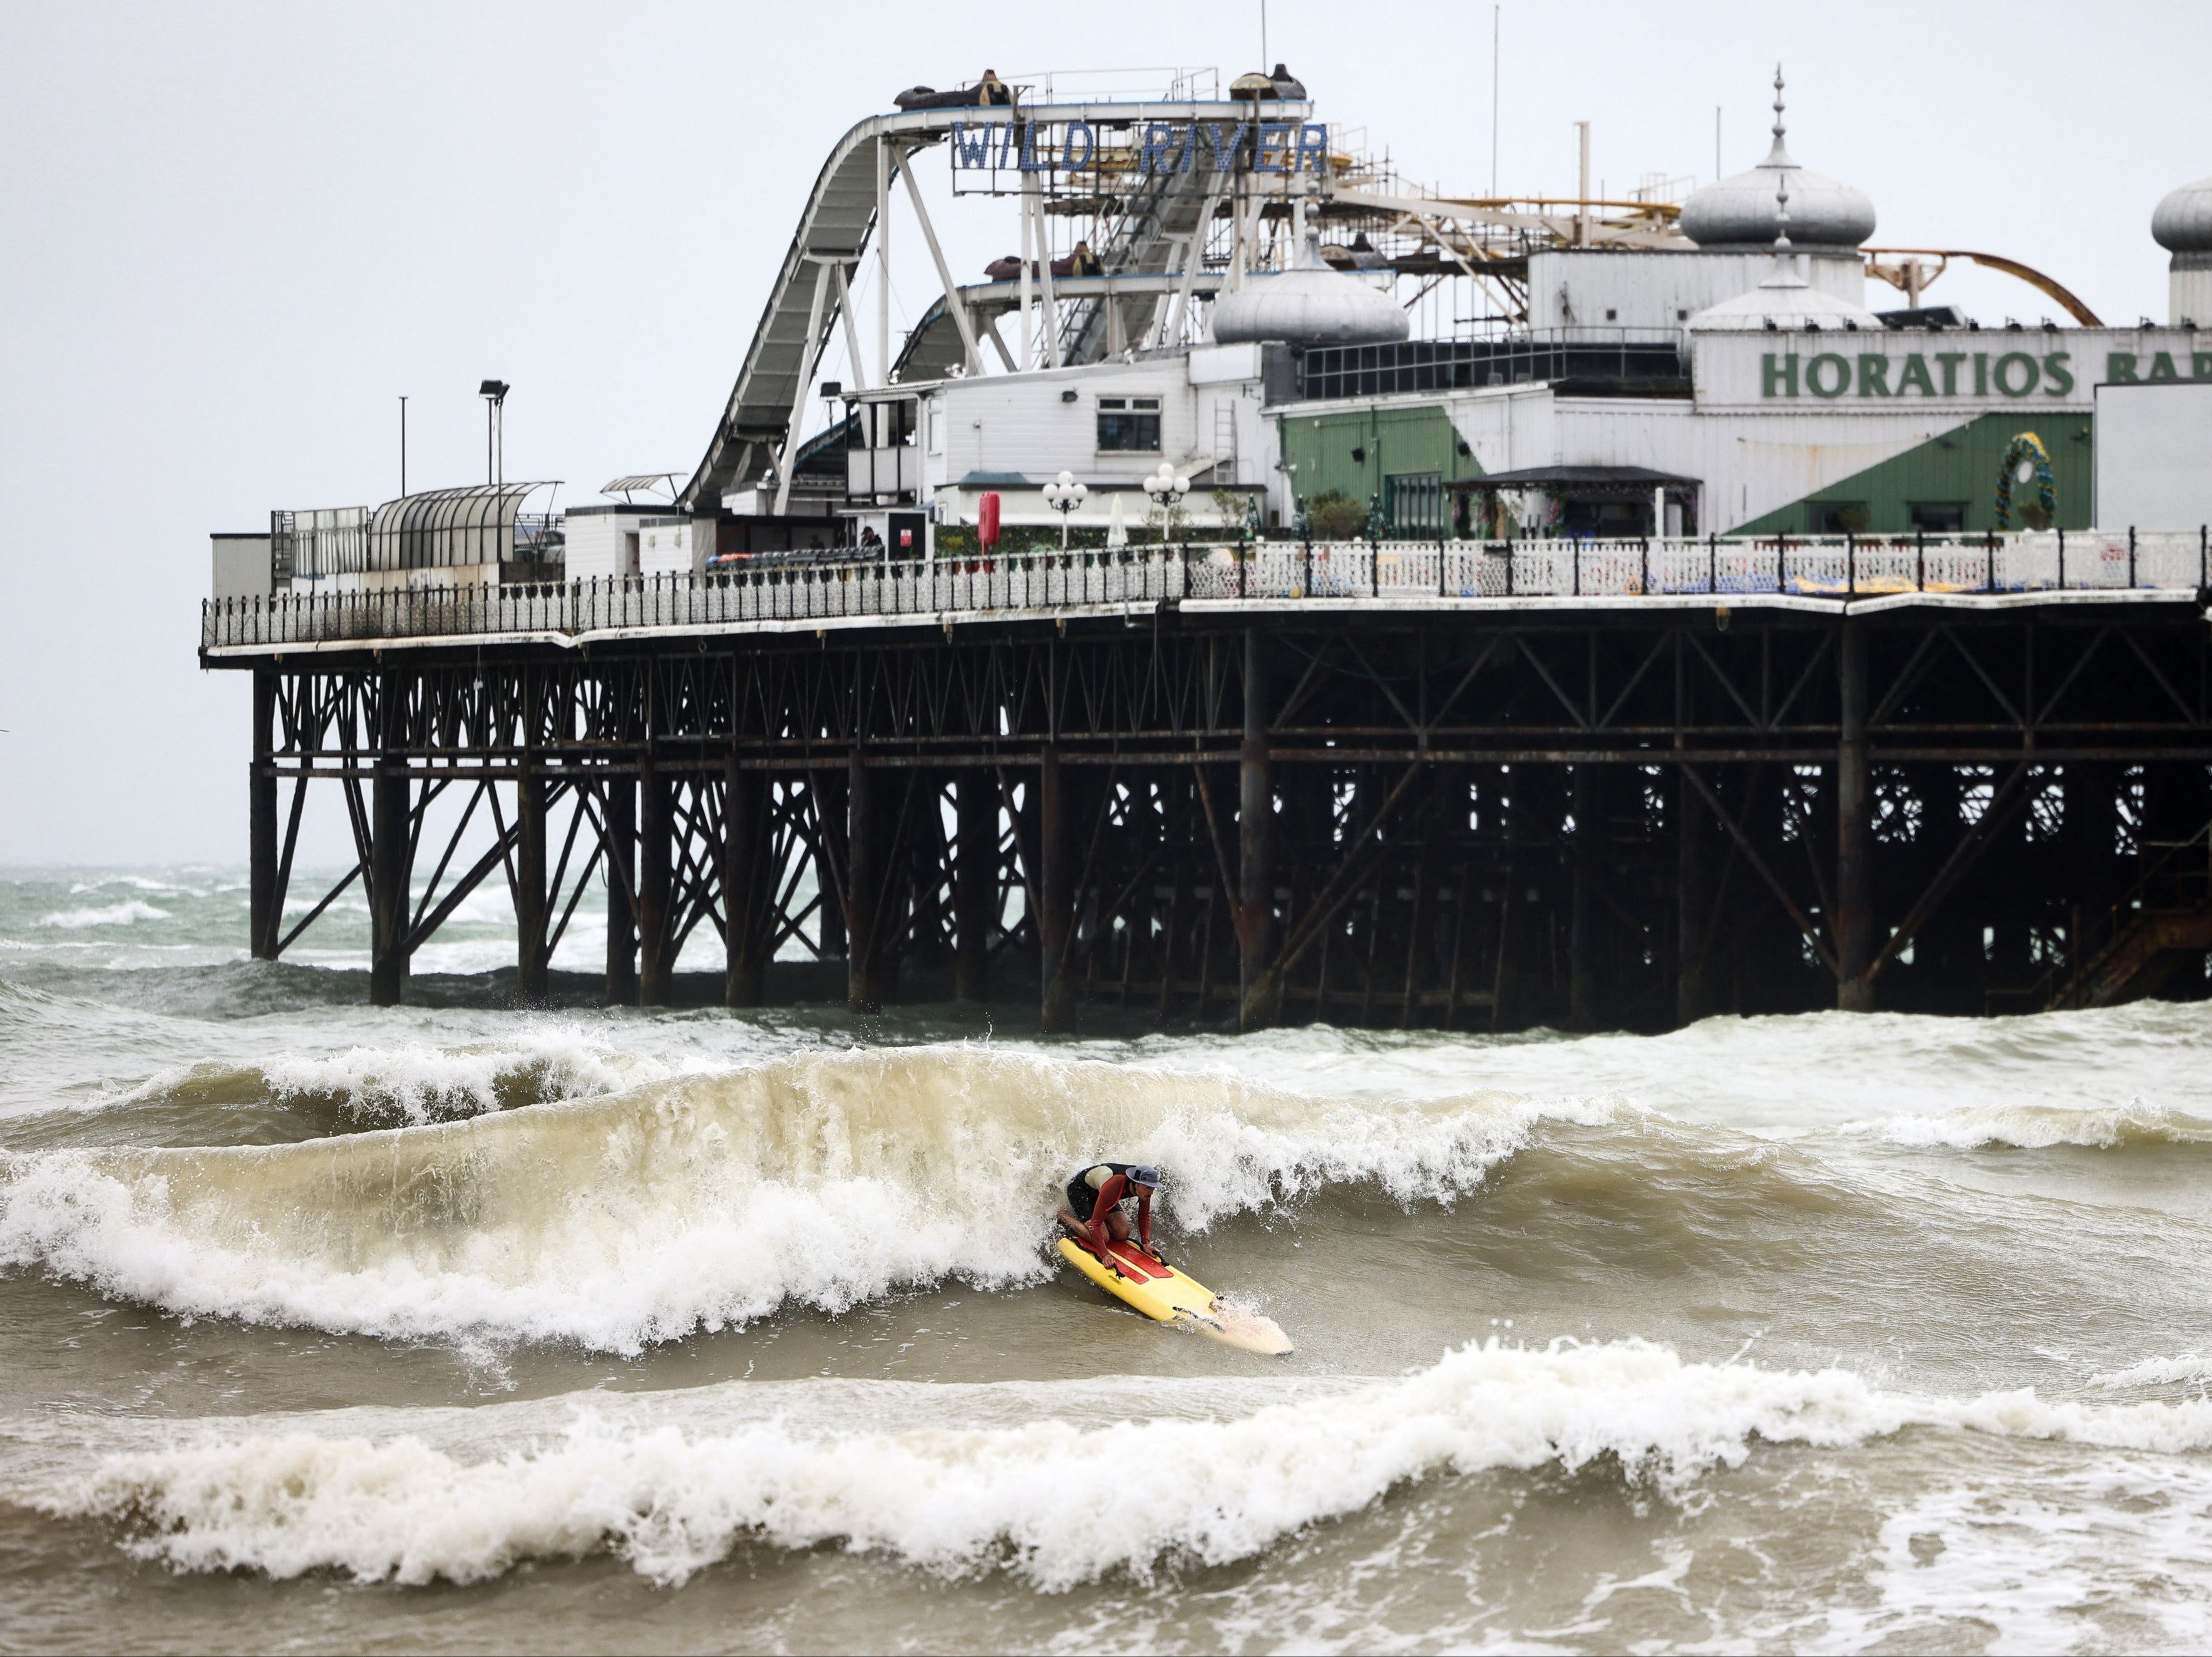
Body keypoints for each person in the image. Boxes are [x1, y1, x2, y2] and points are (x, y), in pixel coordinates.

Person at [1057, 1162, 1166, 1263]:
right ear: (1136, 1184)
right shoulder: (1114, 1184)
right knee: (1103, 1238)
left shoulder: (1144, 1187)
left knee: (1123, 1233)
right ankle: (1062, 1214)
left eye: (1153, 1188)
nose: (1151, 1192)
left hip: (1102, 1192)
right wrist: (1105, 1255)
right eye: (1148, 1188)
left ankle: (1094, 1218)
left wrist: (1146, 1244)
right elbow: (1095, 1225)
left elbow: (1144, 1215)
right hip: (1081, 1190)